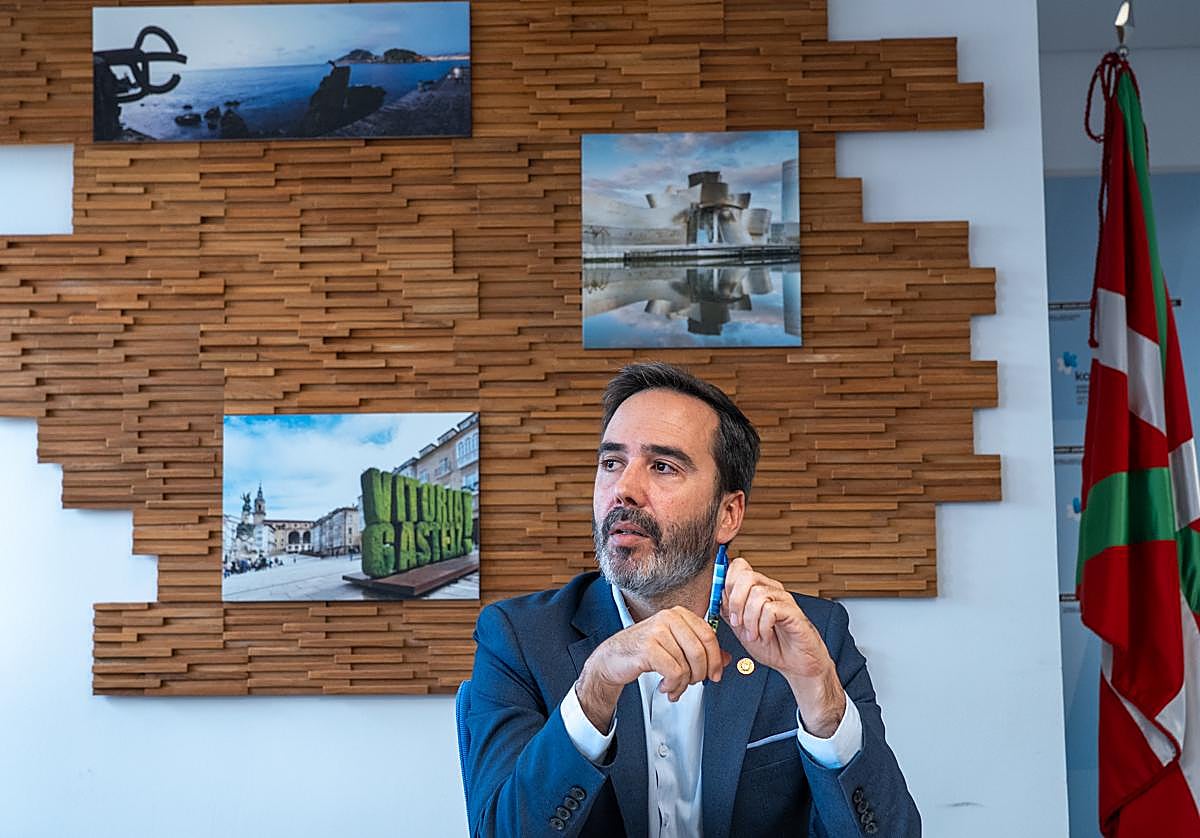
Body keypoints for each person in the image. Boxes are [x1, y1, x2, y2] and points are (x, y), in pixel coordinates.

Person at [464, 362, 919, 837]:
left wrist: (822, 703)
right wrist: (595, 688)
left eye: (662, 467)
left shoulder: (815, 635)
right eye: (611, 463)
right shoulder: (518, 639)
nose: (624, 490)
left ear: (728, 514)